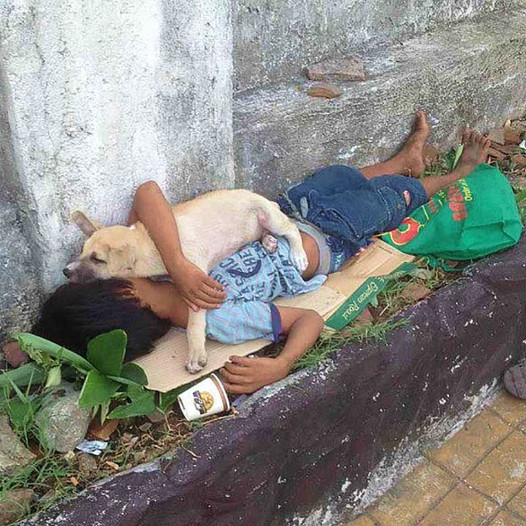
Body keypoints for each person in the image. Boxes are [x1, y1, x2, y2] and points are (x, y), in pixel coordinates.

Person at [28, 114, 491, 394]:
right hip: (330, 241)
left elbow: (147, 193)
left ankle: (402, 162)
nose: (106, 270)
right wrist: (281, 364)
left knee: (337, 178)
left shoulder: (157, 263)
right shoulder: (218, 319)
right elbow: (305, 320)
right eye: (106, 278)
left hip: (284, 212)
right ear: (129, 298)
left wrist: (179, 266)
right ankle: (452, 175)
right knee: (392, 200)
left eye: (101, 269)